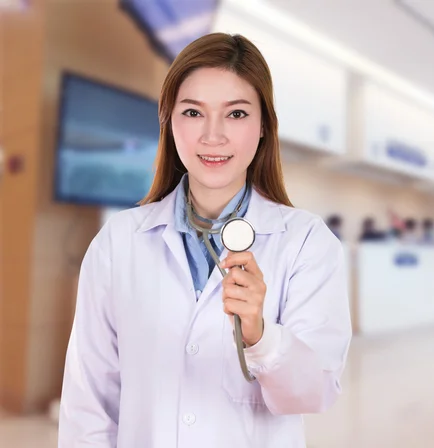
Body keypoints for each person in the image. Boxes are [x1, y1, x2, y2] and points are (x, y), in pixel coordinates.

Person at [58, 33, 352, 448]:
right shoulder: (118, 243)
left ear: (264, 125)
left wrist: (261, 336)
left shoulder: (306, 243)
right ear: (169, 119)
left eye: (235, 114)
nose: (213, 136)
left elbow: (313, 393)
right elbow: (89, 403)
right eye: (194, 112)